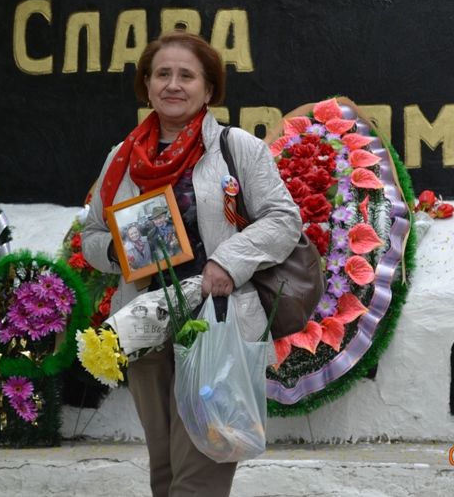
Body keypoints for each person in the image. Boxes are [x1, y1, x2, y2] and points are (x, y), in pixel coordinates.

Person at [82, 30, 301, 497]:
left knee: (201, 466)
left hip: (215, 321)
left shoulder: (236, 148)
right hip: (144, 326)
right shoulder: (120, 158)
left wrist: (227, 262)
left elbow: (284, 220)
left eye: (187, 75)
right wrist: (123, 250)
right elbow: (92, 236)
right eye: (162, 74)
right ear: (146, 84)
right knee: (164, 469)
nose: (173, 84)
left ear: (208, 88)